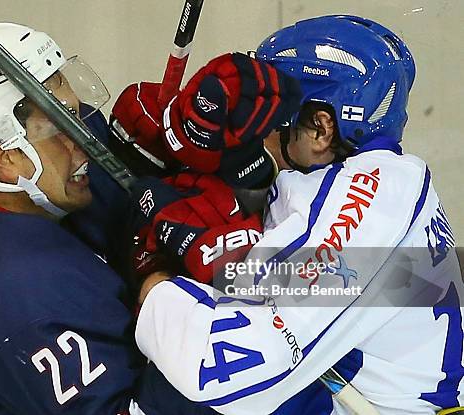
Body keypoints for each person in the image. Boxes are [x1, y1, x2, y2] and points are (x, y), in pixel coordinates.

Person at [0, 22, 219, 415]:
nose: (85, 139)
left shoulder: (17, 180)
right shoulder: (24, 290)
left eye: (74, 112)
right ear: (6, 158)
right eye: (60, 126)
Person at [115, 15, 464, 414]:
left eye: (274, 116)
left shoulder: (371, 198)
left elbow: (218, 369)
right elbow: (282, 280)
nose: (258, 128)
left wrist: (155, 281)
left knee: (167, 396)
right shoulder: (366, 180)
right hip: (372, 395)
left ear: (320, 128)